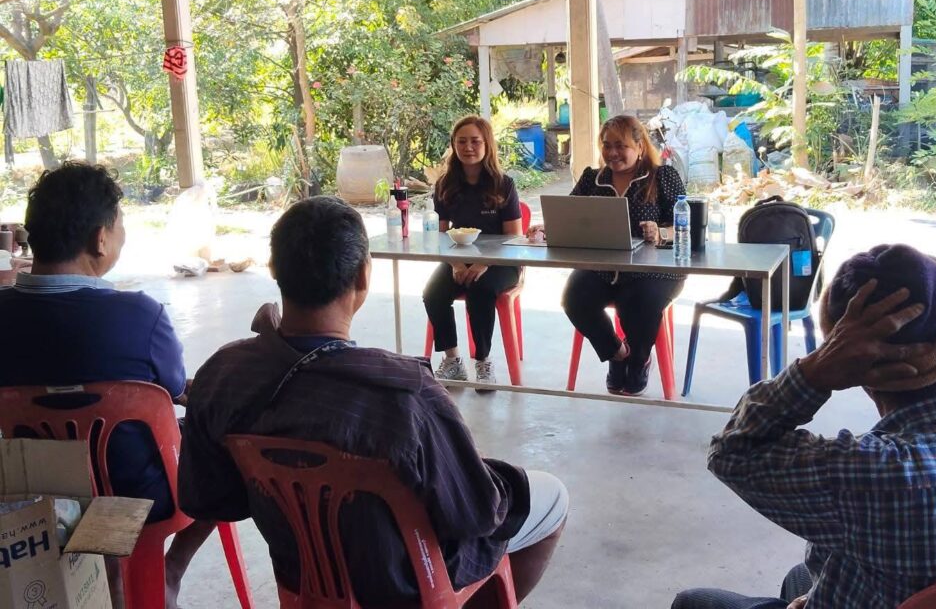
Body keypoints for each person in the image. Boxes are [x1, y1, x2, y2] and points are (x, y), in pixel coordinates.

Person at [178, 196, 567, 607]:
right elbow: (478, 513)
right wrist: (487, 472)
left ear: (274, 269)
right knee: (551, 496)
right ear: (364, 276)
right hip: (405, 582)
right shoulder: (407, 394)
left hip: (300, 570)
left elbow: (212, 498)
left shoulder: (223, 375)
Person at [672, 244, 936, 609]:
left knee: (694, 602)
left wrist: (815, 372)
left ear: (849, 357)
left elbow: (732, 452)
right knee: (801, 575)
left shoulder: (867, 473)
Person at [0, 162, 213, 608]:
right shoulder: (141, 316)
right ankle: (171, 569)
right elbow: (174, 387)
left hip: (37, 498)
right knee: (223, 439)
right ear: (100, 239)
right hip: (144, 497)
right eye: (120, 227)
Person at [537, 114, 685, 396]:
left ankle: (639, 360)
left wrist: (661, 232)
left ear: (639, 146)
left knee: (638, 300)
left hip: (655, 271)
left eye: (621, 146)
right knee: (574, 297)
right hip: (602, 268)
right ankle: (618, 353)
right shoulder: (593, 178)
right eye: (607, 145)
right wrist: (547, 228)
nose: (613, 152)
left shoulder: (663, 176)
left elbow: (683, 224)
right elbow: (568, 214)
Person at [423, 115, 524, 386]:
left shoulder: (504, 184)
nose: (468, 147)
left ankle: (483, 361)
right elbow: (440, 235)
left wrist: (484, 263)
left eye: (475, 141)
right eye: (462, 141)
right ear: (454, 145)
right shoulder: (445, 185)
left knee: (481, 290)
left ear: (487, 144)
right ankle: (453, 360)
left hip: (502, 260)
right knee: (433, 293)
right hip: (458, 257)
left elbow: (514, 237)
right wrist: (456, 264)